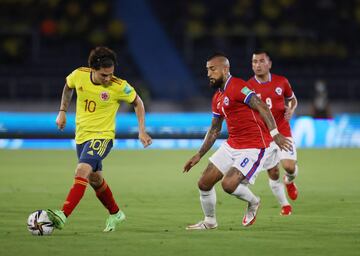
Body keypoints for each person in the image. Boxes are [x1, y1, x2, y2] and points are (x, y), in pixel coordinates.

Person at [47, 46, 152, 232]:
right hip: (81, 136)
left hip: (103, 137)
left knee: (82, 170)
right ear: (93, 69)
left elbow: (138, 102)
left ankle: (63, 215)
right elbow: (68, 87)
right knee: (95, 179)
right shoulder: (79, 75)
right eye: (104, 75)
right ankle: (116, 214)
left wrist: (141, 131)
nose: (108, 78)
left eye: (111, 74)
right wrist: (62, 111)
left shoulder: (119, 86)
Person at [183, 53, 292, 230]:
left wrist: (275, 133)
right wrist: (199, 154)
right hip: (232, 144)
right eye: (207, 70)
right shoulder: (217, 97)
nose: (209, 74)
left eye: (212, 69)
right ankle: (210, 221)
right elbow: (215, 129)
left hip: (254, 146)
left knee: (228, 184)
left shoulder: (238, 86)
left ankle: (254, 202)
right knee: (204, 182)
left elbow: (262, 106)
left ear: (225, 69)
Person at [247, 50, 299, 216]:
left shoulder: (281, 82)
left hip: (283, 131)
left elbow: (292, 99)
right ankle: (285, 205)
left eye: (261, 61)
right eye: (254, 62)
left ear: (269, 64)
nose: (258, 65)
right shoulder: (248, 87)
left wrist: (290, 109)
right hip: (265, 136)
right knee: (273, 172)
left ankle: (289, 181)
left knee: (289, 167)